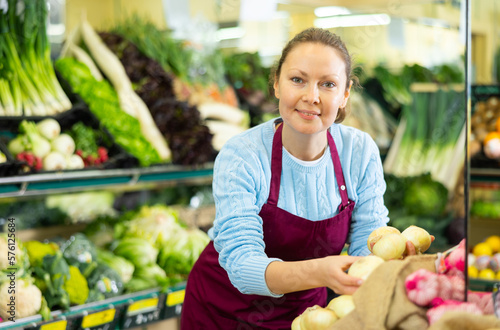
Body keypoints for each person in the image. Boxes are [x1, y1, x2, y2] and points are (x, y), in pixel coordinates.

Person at [181, 27, 399, 329]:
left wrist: (383, 261)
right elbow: (243, 266)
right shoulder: (242, 155)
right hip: (223, 313)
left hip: (307, 316)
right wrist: (321, 272)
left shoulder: (359, 152)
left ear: (345, 93)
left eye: (328, 84)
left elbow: (368, 242)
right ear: (276, 85)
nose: (311, 97)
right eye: (298, 80)